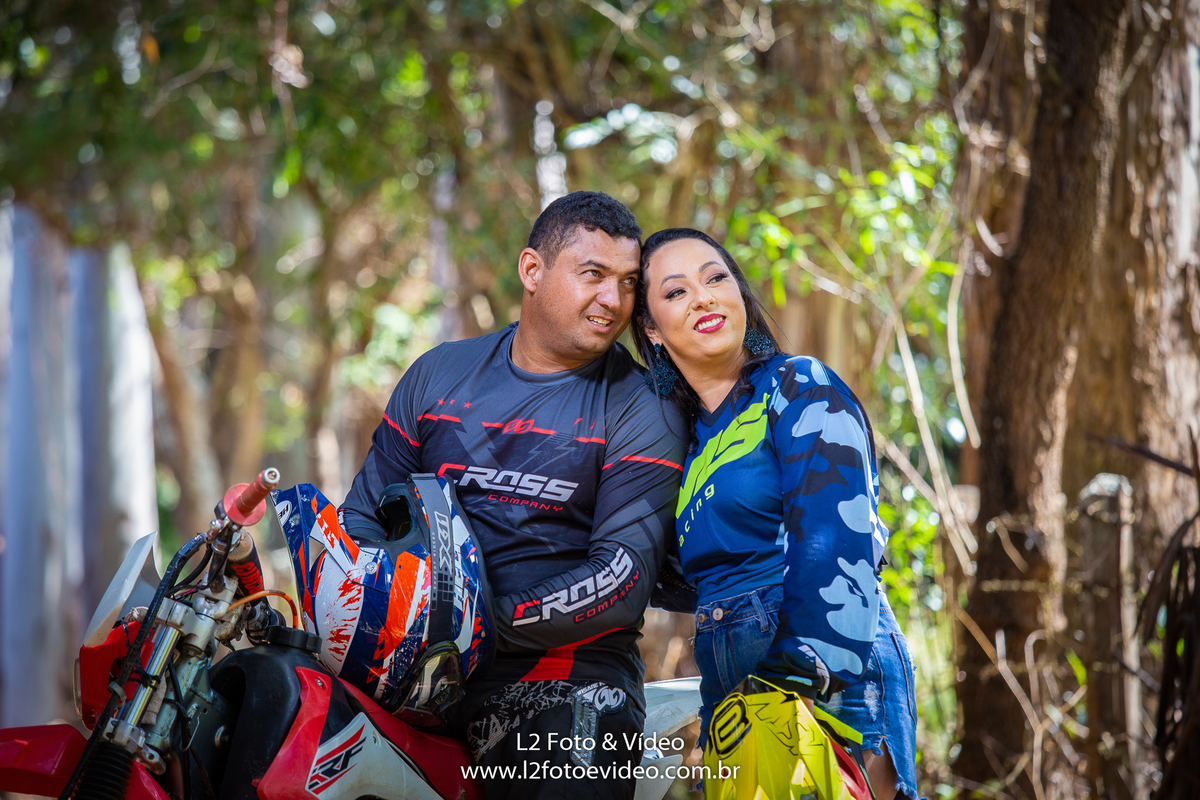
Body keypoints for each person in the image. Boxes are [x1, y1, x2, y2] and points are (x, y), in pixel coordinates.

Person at [340, 192, 686, 800]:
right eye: (593, 274)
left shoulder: (643, 404)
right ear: (532, 270)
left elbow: (622, 581)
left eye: (628, 282)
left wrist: (468, 628)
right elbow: (362, 521)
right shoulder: (439, 375)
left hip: (567, 675)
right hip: (407, 656)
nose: (613, 300)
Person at [632, 228, 920, 800]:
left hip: (826, 670)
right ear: (651, 330)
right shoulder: (685, 446)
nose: (704, 298)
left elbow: (838, 536)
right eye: (676, 291)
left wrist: (799, 673)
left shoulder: (797, 385)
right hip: (730, 683)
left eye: (716, 279)